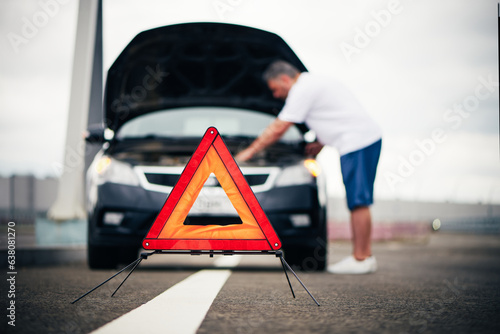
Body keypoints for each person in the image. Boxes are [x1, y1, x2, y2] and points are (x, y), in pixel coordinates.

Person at [235, 60, 382, 274]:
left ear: (285, 79)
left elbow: (279, 127)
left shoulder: (302, 89)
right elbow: (335, 114)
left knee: (358, 200)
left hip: (358, 142)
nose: (275, 95)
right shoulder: (312, 84)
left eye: (275, 89)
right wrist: (321, 141)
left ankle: (362, 258)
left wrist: (249, 152)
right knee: (357, 200)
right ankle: (363, 256)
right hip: (359, 140)